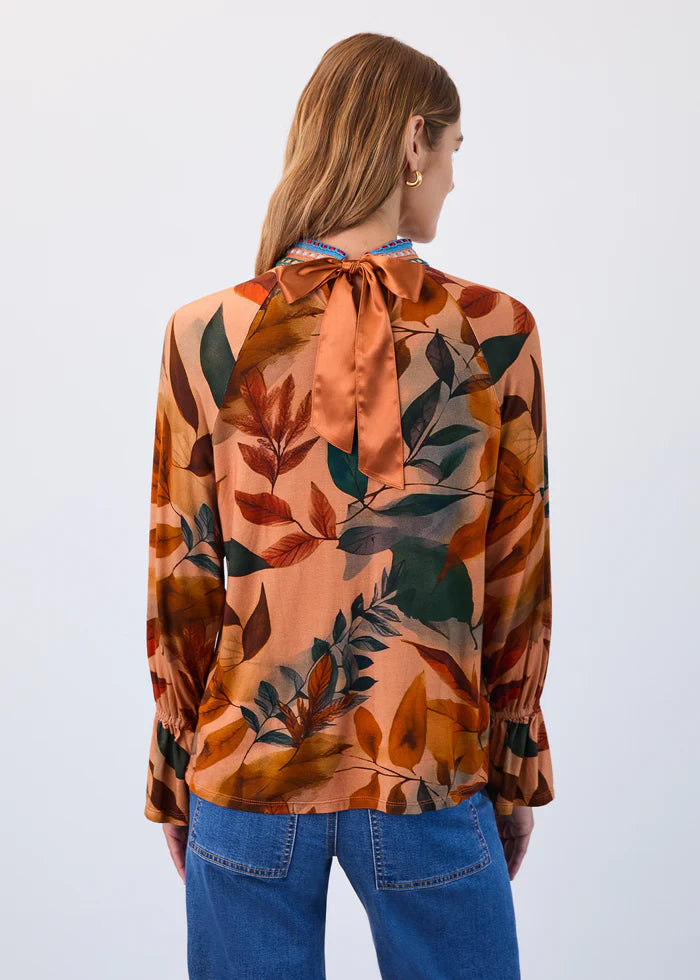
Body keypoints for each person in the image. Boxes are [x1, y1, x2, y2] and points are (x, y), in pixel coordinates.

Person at [144, 31, 555, 980]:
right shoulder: (495, 332)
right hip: (430, 767)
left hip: (245, 768)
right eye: (452, 148)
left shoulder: (205, 332)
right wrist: (513, 763)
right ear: (413, 141)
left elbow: (182, 575)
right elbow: (516, 578)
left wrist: (177, 768)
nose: (453, 177)